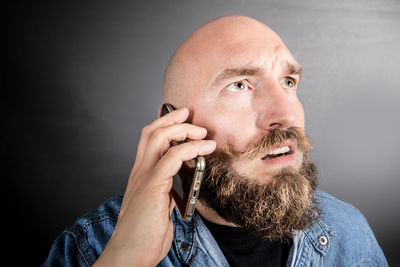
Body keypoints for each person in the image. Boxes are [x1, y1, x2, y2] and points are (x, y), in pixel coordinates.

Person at [42, 15, 388, 266]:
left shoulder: (348, 231)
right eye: (239, 85)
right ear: (176, 125)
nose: (287, 114)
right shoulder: (94, 246)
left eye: (287, 82)